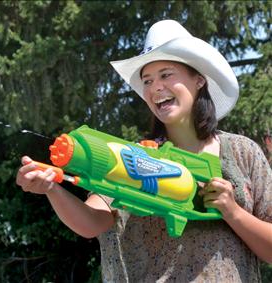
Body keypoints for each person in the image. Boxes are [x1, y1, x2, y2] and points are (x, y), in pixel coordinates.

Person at [16, 19, 272, 282]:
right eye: (147, 80)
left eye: (166, 74)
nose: (154, 87)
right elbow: (92, 222)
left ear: (198, 80)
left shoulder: (243, 153)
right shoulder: (135, 158)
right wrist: (52, 189)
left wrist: (233, 212)